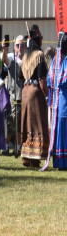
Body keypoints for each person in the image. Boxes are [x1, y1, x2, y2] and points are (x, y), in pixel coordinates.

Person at [19, 25, 49, 168]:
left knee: (26, 124)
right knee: (37, 124)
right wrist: (47, 95)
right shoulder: (40, 55)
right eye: (41, 38)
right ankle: (35, 158)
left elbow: (20, 77)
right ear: (38, 39)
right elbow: (42, 78)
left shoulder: (25, 56)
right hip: (36, 92)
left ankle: (26, 157)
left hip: (25, 92)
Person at [46, 31, 67, 170]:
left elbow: (51, 80)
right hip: (61, 101)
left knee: (61, 127)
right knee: (61, 128)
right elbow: (57, 81)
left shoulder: (56, 60)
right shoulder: (58, 61)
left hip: (59, 101)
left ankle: (61, 161)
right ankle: (61, 161)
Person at [2, 34, 25, 153]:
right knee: (10, 124)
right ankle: (6, 147)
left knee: (21, 125)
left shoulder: (27, 59)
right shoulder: (11, 57)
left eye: (22, 45)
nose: (20, 47)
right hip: (12, 97)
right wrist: (4, 49)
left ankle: (18, 147)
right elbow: (5, 61)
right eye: (17, 45)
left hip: (24, 97)